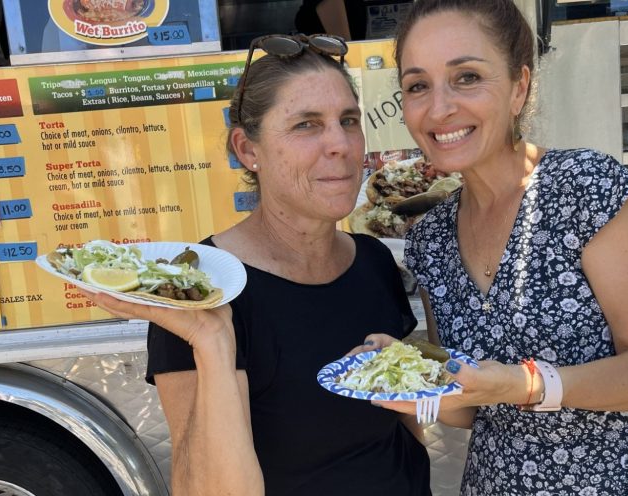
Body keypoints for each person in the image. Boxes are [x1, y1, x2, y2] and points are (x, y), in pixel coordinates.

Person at [82, 35, 431, 496]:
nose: (341, 144)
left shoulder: (374, 260)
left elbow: (402, 421)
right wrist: (213, 344)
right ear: (248, 150)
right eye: (306, 125)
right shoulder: (204, 289)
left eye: (348, 120)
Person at [371, 1, 628, 494]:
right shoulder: (430, 239)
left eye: (466, 78)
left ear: (519, 87)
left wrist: (525, 384)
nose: (438, 108)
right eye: (418, 86)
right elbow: (469, 410)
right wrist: (412, 378)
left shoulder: (586, 188)